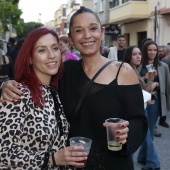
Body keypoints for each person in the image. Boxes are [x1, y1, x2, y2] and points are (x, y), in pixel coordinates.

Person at [0, 7, 148, 170]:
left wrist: (127, 133)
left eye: (93, 28)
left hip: (114, 164)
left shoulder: (124, 71)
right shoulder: (65, 72)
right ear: (71, 38)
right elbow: (37, 81)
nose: (87, 36)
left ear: (102, 32)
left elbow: (139, 120)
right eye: (79, 31)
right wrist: (6, 85)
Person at [0, 27, 88, 169]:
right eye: (42, 50)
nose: (51, 55)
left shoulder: (53, 90)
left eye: (55, 48)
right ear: (29, 58)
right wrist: (52, 159)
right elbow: (3, 154)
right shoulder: (18, 94)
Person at [137, 40, 170, 170]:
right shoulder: (139, 66)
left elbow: (167, 86)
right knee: (145, 132)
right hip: (142, 101)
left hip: (155, 101)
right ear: (145, 51)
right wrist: (148, 80)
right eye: (149, 50)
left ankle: (142, 156)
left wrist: (167, 106)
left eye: (154, 50)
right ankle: (153, 163)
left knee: (149, 132)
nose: (152, 52)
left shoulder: (162, 66)